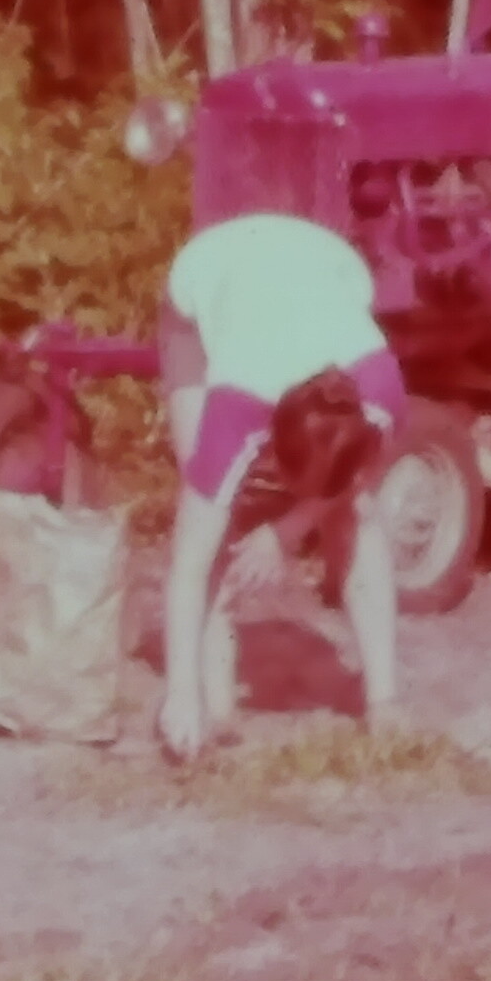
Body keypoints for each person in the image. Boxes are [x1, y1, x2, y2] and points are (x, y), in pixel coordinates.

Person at [151, 208, 408, 762]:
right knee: (209, 507)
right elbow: (186, 561)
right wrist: (178, 693)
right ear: (270, 444)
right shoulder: (237, 406)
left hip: (322, 265)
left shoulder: (379, 392)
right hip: (210, 273)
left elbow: (359, 477)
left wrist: (287, 530)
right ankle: (205, 697)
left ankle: (384, 700)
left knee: (358, 511)